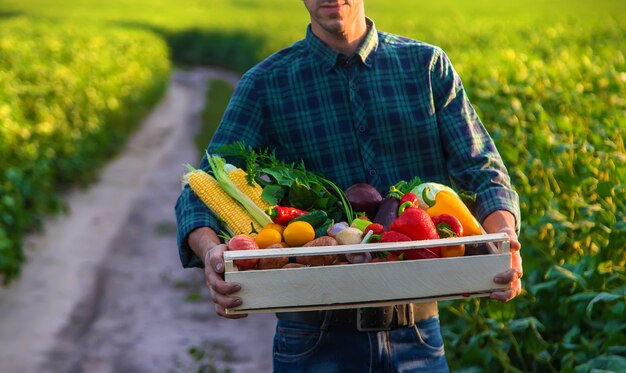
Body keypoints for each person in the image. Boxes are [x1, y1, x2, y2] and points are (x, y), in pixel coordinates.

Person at [175, 1, 522, 371]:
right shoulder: (266, 84)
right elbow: (198, 193)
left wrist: (505, 239)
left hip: (417, 334)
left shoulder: (426, 67)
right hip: (314, 339)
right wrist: (212, 251)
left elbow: (483, 170)